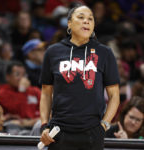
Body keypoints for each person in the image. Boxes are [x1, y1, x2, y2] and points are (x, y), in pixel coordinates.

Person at [39, 5, 120, 150]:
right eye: (81, 17)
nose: (86, 21)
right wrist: (44, 125)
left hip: (92, 132)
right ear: (69, 23)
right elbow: (46, 93)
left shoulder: (105, 53)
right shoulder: (53, 52)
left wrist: (104, 125)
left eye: (90, 19)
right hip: (59, 132)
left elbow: (114, 95)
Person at [0, 61, 40, 134]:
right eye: (17, 75)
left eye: (24, 75)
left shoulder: (35, 91)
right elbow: (16, 112)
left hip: (34, 125)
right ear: (8, 77)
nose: (22, 78)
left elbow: (46, 110)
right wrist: (21, 91)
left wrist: (29, 122)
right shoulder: (1, 94)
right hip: (14, 129)